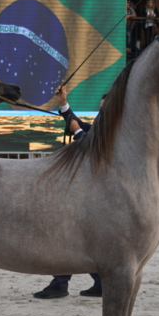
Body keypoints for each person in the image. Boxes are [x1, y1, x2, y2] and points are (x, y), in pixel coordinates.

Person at [33, 84, 104, 299]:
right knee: (78, 239)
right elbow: (77, 124)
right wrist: (63, 103)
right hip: (90, 194)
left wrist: (79, 132)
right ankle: (96, 283)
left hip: (93, 195)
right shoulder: (102, 128)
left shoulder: (114, 133)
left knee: (68, 235)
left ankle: (60, 283)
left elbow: (92, 147)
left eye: (104, 110)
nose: (101, 114)